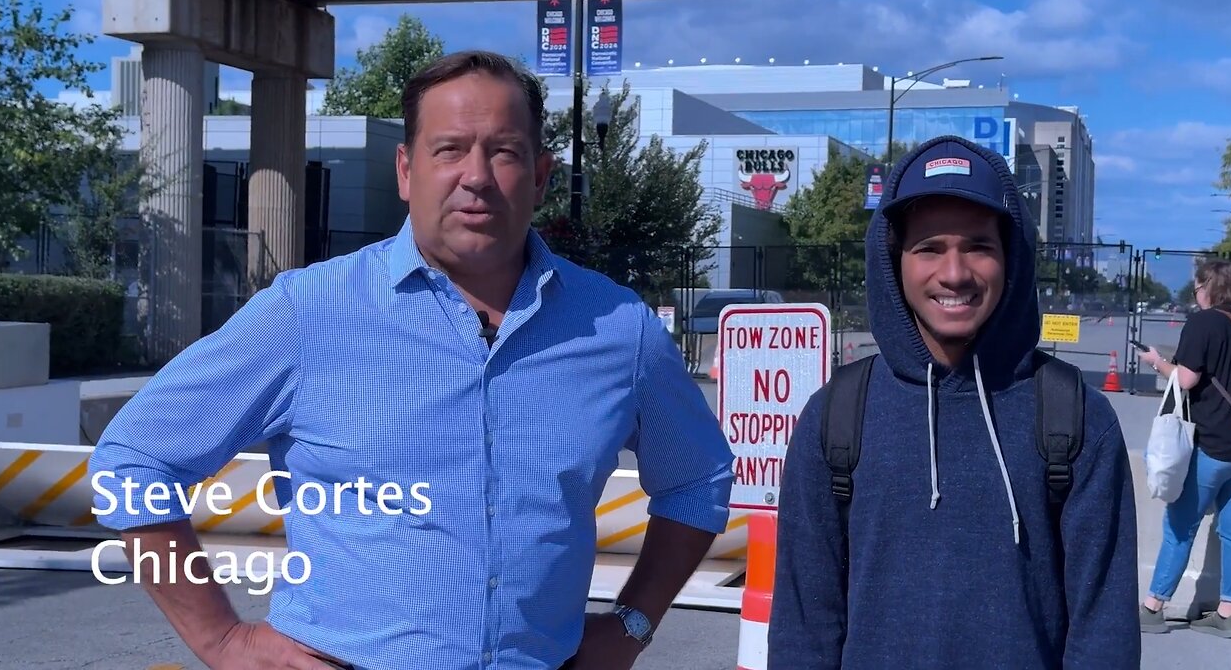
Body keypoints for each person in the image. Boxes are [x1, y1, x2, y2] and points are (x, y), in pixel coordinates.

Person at [88, 49, 736, 670]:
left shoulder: (618, 330)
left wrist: (634, 623)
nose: (475, 176)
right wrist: (221, 638)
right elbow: (131, 463)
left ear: (540, 174)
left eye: (503, 152)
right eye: (448, 149)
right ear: (406, 170)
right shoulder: (308, 313)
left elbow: (697, 479)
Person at [768, 135, 1140, 668]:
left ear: (1010, 258)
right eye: (929, 248)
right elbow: (804, 629)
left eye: (978, 246)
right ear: (894, 261)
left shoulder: (1075, 418)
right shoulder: (834, 418)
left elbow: (1104, 633)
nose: (955, 273)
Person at [1138, 259, 1231, 638]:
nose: (1195, 294)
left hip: (1212, 444)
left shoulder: (1204, 322)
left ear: (1209, 287)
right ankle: (1227, 612)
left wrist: (1156, 363)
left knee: (1180, 526)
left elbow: (1186, 379)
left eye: (1197, 288)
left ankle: (1153, 607)